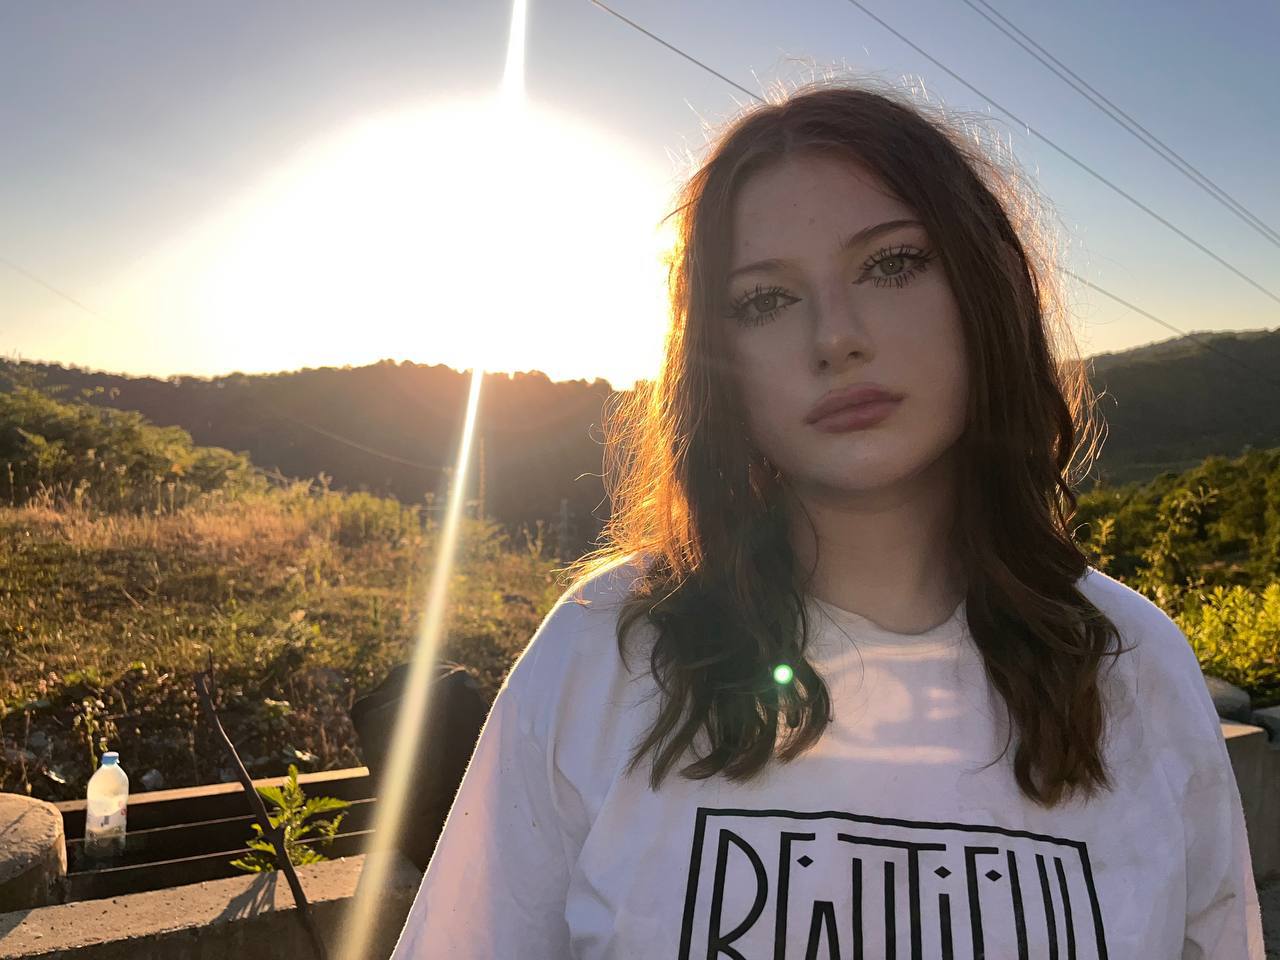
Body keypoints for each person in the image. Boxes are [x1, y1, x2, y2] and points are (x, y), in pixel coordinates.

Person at [389, 80, 1265, 958]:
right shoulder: (608, 648)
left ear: (983, 289)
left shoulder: (1129, 661)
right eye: (764, 300)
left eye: (892, 264)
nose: (834, 337)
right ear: (719, 364)